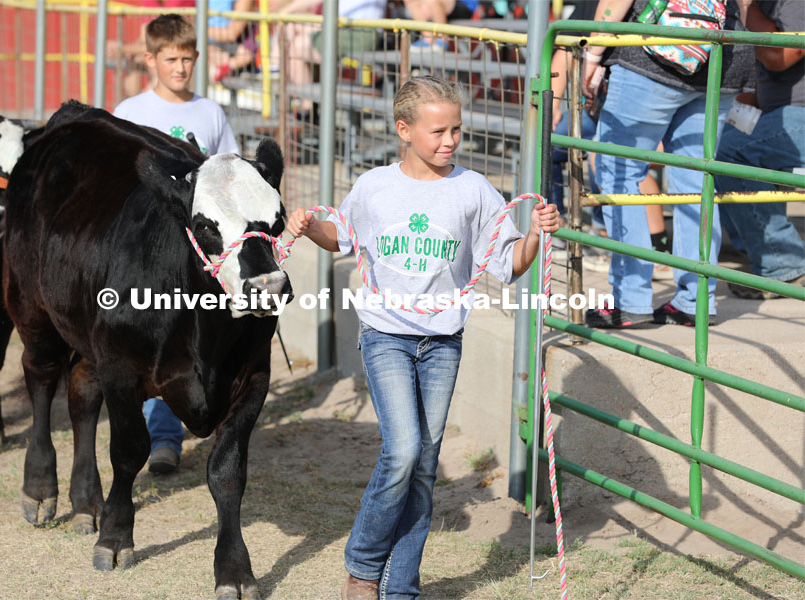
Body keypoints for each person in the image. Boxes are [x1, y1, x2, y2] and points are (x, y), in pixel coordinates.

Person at [287, 75, 559, 600]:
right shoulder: (374, 187)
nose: (449, 141)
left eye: (456, 129)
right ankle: (363, 565)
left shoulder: (475, 190)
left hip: (442, 342)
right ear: (404, 130)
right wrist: (305, 226)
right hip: (386, 335)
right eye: (437, 131)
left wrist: (534, 234)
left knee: (424, 464)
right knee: (404, 449)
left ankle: (402, 587)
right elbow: (340, 235)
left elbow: (509, 266)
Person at [113, 13, 240, 473]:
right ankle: (145, 429)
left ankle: (166, 437)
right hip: (143, 249)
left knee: (184, 334)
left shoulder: (210, 113)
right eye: (170, 59)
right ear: (150, 59)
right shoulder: (129, 113)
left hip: (193, 253)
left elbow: (228, 172)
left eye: (187, 59)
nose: (180, 68)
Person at [582, 0, 754, 328]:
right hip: (724, 49)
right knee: (697, 178)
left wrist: (592, 54)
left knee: (619, 171)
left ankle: (629, 298)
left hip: (654, 51)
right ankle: (694, 300)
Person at [715, 0, 805, 299]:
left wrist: (746, 6)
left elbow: (778, 56)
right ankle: (765, 251)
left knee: (729, 152)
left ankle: (782, 264)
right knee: (716, 143)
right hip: (778, 112)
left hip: (796, 114)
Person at [273, 0, 387, 119]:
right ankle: (303, 105)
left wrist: (285, 11)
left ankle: (278, 75)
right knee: (293, 37)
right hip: (344, 27)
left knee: (295, 39)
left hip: (358, 31)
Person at [404, 0, 478, 50]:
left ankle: (442, 40)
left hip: (464, 6)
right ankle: (428, 38)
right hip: (434, 7)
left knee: (432, 1)